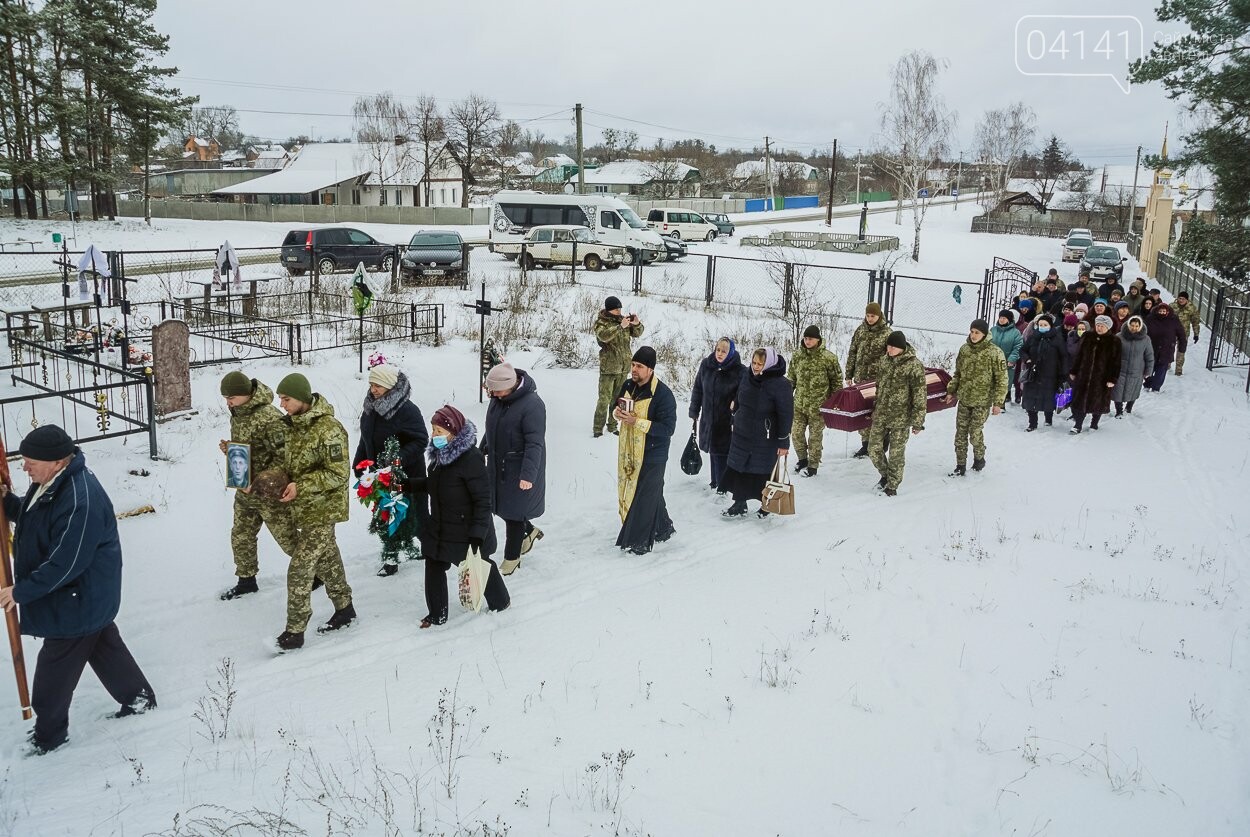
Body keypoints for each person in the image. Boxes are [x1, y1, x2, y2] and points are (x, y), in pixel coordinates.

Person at [0, 425, 156, 755]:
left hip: (76, 599)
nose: (24, 468)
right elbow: (36, 519)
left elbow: (65, 563)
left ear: (57, 461)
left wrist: (20, 592)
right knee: (104, 646)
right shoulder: (52, 483)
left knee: (52, 677)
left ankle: (49, 735)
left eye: (30, 462)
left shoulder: (79, 499)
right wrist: (8, 503)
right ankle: (138, 698)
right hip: (85, 598)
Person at [274, 373, 356, 651]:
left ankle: (295, 631)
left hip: (323, 508)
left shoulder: (329, 429)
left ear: (301, 398)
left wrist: (301, 485)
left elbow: (339, 473)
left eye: (286, 399)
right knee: (327, 559)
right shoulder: (292, 426)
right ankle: (345, 607)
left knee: (300, 569)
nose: (282, 405)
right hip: (302, 507)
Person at [416, 405, 510, 627]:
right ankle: (437, 614)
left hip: (466, 529)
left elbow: (483, 500)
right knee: (434, 563)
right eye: (432, 430)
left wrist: (478, 534)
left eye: (438, 431)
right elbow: (437, 485)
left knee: (479, 564)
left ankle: (501, 602)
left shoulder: (470, 459)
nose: (433, 435)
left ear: (454, 432)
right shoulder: (440, 455)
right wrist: (408, 485)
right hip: (441, 525)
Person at [218, 371, 297, 601]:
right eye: (225, 398)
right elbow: (251, 446)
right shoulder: (238, 412)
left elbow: (284, 457)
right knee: (241, 535)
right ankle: (246, 581)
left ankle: (318, 573)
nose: (227, 402)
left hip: (268, 492)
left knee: (288, 539)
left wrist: (260, 482)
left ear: (245, 394)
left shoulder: (269, 417)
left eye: (231, 397)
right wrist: (231, 449)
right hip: (245, 490)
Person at [354, 363, 428, 576]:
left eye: (378, 385)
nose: (373, 389)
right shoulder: (370, 408)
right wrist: (360, 463)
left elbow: (421, 439)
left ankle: (429, 546)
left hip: (408, 474)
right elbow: (365, 438)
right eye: (371, 384)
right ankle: (390, 557)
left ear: (389, 385)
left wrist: (397, 459)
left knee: (416, 515)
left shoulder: (407, 409)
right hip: (380, 474)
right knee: (386, 515)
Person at [482, 362, 546, 576]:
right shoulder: (499, 399)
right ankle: (530, 532)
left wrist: (528, 475)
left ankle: (512, 558)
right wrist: (483, 447)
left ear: (510, 385)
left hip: (519, 466)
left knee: (515, 514)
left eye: (497, 390)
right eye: (492, 390)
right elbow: (492, 426)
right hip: (498, 464)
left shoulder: (532, 404)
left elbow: (535, 442)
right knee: (500, 507)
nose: (494, 394)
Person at [613, 347, 677, 552]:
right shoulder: (628, 386)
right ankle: (663, 528)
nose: (634, 370)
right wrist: (617, 413)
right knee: (652, 492)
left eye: (639, 366)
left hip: (653, 452)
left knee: (644, 495)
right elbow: (617, 407)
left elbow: (668, 429)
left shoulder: (663, 395)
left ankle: (639, 541)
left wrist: (636, 421)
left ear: (650, 369)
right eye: (633, 365)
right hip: (631, 449)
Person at [722, 348, 793, 517]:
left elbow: (786, 414)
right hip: (742, 432)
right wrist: (735, 417)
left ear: (768, 364)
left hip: (765, 437)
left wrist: (783, 441)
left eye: (760, 364)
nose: (755, 367)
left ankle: (766, 505)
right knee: (741, 469)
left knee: (763, 472)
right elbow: (740, 396)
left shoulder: (781, 384)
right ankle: (739, 503)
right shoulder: (748, 375)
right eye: (754, 363)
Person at [944, 319, 1008, 476]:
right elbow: (958, 373)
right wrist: (951, 391)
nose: (973, 335)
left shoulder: (995, 352)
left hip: (982, 401)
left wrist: (998, 402)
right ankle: (960, 465)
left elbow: (1002, 379)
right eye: (971, 332)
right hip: (965, 398)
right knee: (960, 434)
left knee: (974, 433)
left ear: (984, 334)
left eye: (977, 332)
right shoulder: (965, 350)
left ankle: (979, 457)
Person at [869, 331, 927, 496]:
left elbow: (919, 395)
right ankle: (885, 475)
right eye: (888, 345)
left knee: (896, 454)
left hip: (901, 417)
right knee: (873, 449)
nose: (889, 349)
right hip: (881, 413)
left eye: (893, 346)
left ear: (901, 347)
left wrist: (918, 421)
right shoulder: (884, 361)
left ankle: (892, 485)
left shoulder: (914, 365)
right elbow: (879, 387)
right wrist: (875, 407)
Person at [689, 336, 745, 492]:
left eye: (724, 351)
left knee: (722, 452)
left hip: (726, 420)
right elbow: (698, 388)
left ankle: (723, 486)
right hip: (708, 417)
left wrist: (736, 402)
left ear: (731, 352)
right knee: (712, 450)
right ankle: (714, 482)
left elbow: (744, 393)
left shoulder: (740, 371)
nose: (720, 353)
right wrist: (694, 410)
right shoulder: (707, 365)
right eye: (718, 350)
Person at [787, 325, 842, 477]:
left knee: (814, 438)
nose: (807, 341)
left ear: (818, 339)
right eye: (805, 338)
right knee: (796, 434)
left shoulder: (828, 358)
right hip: (799, 405)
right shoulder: (797, 356)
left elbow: (836, 380)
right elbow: (791, 377)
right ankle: (802, 459)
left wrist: (834, 402)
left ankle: (813, 466)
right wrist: (786, 395)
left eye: (810, 338)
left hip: (819, 407)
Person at [844, 302, 891, 458]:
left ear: (879, 316)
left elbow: (893, 357)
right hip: (861, 380)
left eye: (873, 316)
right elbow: (853, 352)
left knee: (877, 413)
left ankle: (882, 442)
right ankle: (865, 444)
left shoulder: (887, 333)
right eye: (868, 315)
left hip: (878, 382)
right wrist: (849, 374)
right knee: (862, 413)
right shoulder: (861, 331)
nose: (870, 319)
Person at [592, 296, 644, 438]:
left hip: (623, 368)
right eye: (616, 309)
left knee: (617, 400)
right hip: (609, 368)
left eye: (620, 308)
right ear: (609, 309)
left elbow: (638, 333)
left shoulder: (623, 321)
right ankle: (598, 429)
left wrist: (637, 323)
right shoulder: (601, 323)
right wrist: (621, 326)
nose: (619, 311)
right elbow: (603, 336)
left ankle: (613, 425)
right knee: (604, 400)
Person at [1068, 315, 1121, 434]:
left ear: (1108, 327)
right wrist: (1074, 370)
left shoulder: (1114, 341)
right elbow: (1079, 355)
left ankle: (1094, 422)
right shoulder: (1087, 336)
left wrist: (1112, 378)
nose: (1099, 328)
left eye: (1102, 326)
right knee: (1080, 401)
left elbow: (1116, 362)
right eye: (1098, 325)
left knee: (1098, 401)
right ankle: (1078, 424)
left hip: (1102, 378)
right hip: (1084, 375)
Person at [1020, 313, 1070, 431]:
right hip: (1033, 373)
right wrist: (1027, 358)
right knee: (1030, 399)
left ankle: (1048, 419)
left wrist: (1063, 373)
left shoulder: (1057, 339)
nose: (1042, 326)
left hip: (1050, 375)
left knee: (1048, 398)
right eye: (1040, 324)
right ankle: (1032, 423)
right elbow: (1023, 350)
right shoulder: (1033, 337)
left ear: (1050, 325)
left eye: (1045, 324)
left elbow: (1063, 357)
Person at [1112, 315, 1154, 417]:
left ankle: (1129, 407)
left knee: (1134, 390)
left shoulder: (1146, 339)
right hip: (1120, 369)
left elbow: (1149, 355)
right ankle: (1119, 411)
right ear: (1128, 325)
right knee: (1118, 391)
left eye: (1136, 326)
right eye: (1132, 325)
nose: (1134, 328)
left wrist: (1148, 370)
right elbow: (1112, 353)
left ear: (1140, 326)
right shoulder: (1119, 336)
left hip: (1137, 370)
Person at [1145, 302, 1186, 391]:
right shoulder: (1150, 318)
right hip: (1152, 347)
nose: (1162, 313)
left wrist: (1182, 347)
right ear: (1157, 311)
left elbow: (1181, 333)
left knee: (1161, 370)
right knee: (1149, 368)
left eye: (1164, 311)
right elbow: (1144, 332)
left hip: (1167, 348)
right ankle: (1148, 384)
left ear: (1167, 312)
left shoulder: (1173, 319)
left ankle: (1156, 387)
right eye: (1160, 311)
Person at [990, 309, 1023, 409]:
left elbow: (1018, 346)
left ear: (1009, 320)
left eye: (1004, 318)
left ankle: (1001, 404)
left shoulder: (1015, 333)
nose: (1001, 320)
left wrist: (1012, 359)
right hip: (993, 360)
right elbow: (987, 343)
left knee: (1004, 383)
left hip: (1007, 362)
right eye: (1000, 317)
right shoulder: (993, 330)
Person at [1173, 291, 1201, 375]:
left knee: (1181, 351)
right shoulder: (1172, 306)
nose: (1181, 300)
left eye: (1183, 299)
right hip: (1172, 332)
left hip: (1184, 333)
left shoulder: (1192, 308)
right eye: (1180, 298)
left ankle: (1178, 370)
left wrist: (1196, 334)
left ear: (1187, 300)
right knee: (1169, 349)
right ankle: (1167, 364)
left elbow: (1195, 322)